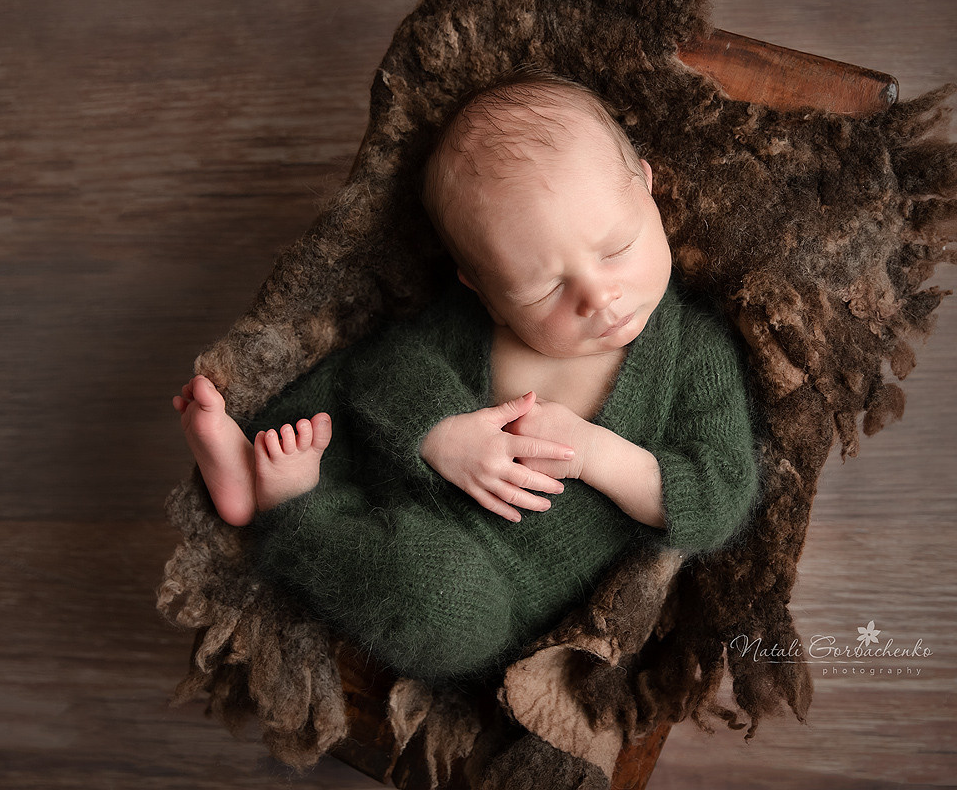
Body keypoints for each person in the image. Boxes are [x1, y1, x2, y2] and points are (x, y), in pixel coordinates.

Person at [173, 71, 760, 686]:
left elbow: (719, 494)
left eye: (616, 248)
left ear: (646, 186)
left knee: (450, 612)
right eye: (546, 288)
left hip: (487, 574)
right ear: (480, 287)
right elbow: (384, 369)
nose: (597, 296)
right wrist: (439, 434)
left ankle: (292, 513)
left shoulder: (693, 352)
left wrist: (595, 453)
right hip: (378, 462)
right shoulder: (477, 323)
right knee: (337, 383)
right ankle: (252, 464)